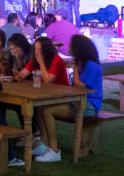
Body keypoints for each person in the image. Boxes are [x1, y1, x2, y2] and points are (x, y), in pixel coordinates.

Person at [34, 34, 103, 163]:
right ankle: (45, 143)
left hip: (88, 104)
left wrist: (75, 66)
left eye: (72, 45)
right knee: (42, 107)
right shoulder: (83, 64)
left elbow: (79, 86)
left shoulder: (91, 66)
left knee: (48, 110)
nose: (69, 46)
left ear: (79, 48)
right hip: (77, 101)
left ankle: (54, 150)